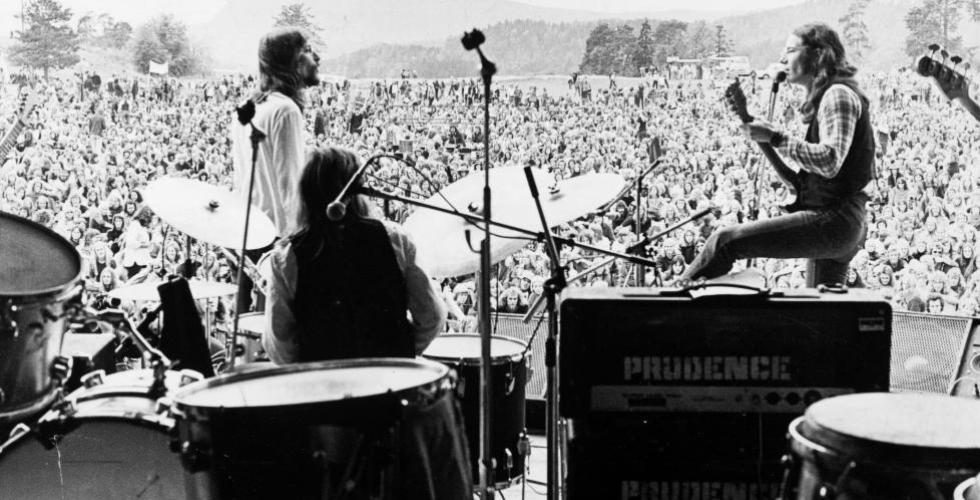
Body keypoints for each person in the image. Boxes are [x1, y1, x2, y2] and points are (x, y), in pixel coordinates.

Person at [681, 23, 873, 287]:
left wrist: (775, 137)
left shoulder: (837, 95)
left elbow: (829, 161)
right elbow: (798, 185)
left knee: (724, 242)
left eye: (791, 50)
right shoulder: (829, 97)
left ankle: (666, 304)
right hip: (841, 223)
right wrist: (756, 130)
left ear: (818, 55)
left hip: (834, 220)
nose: (783, 58)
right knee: (822, 306)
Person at [263, 146, 446, 363]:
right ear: (358, 191)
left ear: (305, 194)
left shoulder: (286, 258)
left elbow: (279, 346)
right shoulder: (396, 240)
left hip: (322, 381)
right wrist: (400, 350)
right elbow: (432, 317)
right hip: (390, 379)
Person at [231, 28, 320, 239]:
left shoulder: (248, 107)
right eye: (307, 50)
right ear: (291, 61)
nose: (316, 57)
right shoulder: (285, 110)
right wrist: (299, 241)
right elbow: (291, 189)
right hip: (278, 236)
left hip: (250, 231)